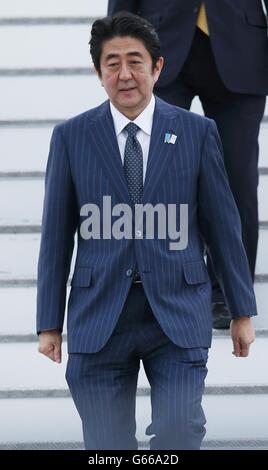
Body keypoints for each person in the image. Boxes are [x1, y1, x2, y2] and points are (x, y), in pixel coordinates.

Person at [37, 12, 256, 451]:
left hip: (176, 311)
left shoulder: (196, 132)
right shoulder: (71, 137)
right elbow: (55, 236)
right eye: (112, 63)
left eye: (135, 61)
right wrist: (49, 322)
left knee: (178, 434)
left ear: (158, 68)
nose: (125, 74)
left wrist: (240, 309)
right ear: (99, 73)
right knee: (106, 446)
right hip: (100, 317)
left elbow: (223, 225)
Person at [108, 0, 268, 329]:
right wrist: (116, 50)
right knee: (157, 176)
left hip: (242, 49)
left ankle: (228, 292)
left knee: (237, 177)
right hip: (160, 45)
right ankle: (160, 287)